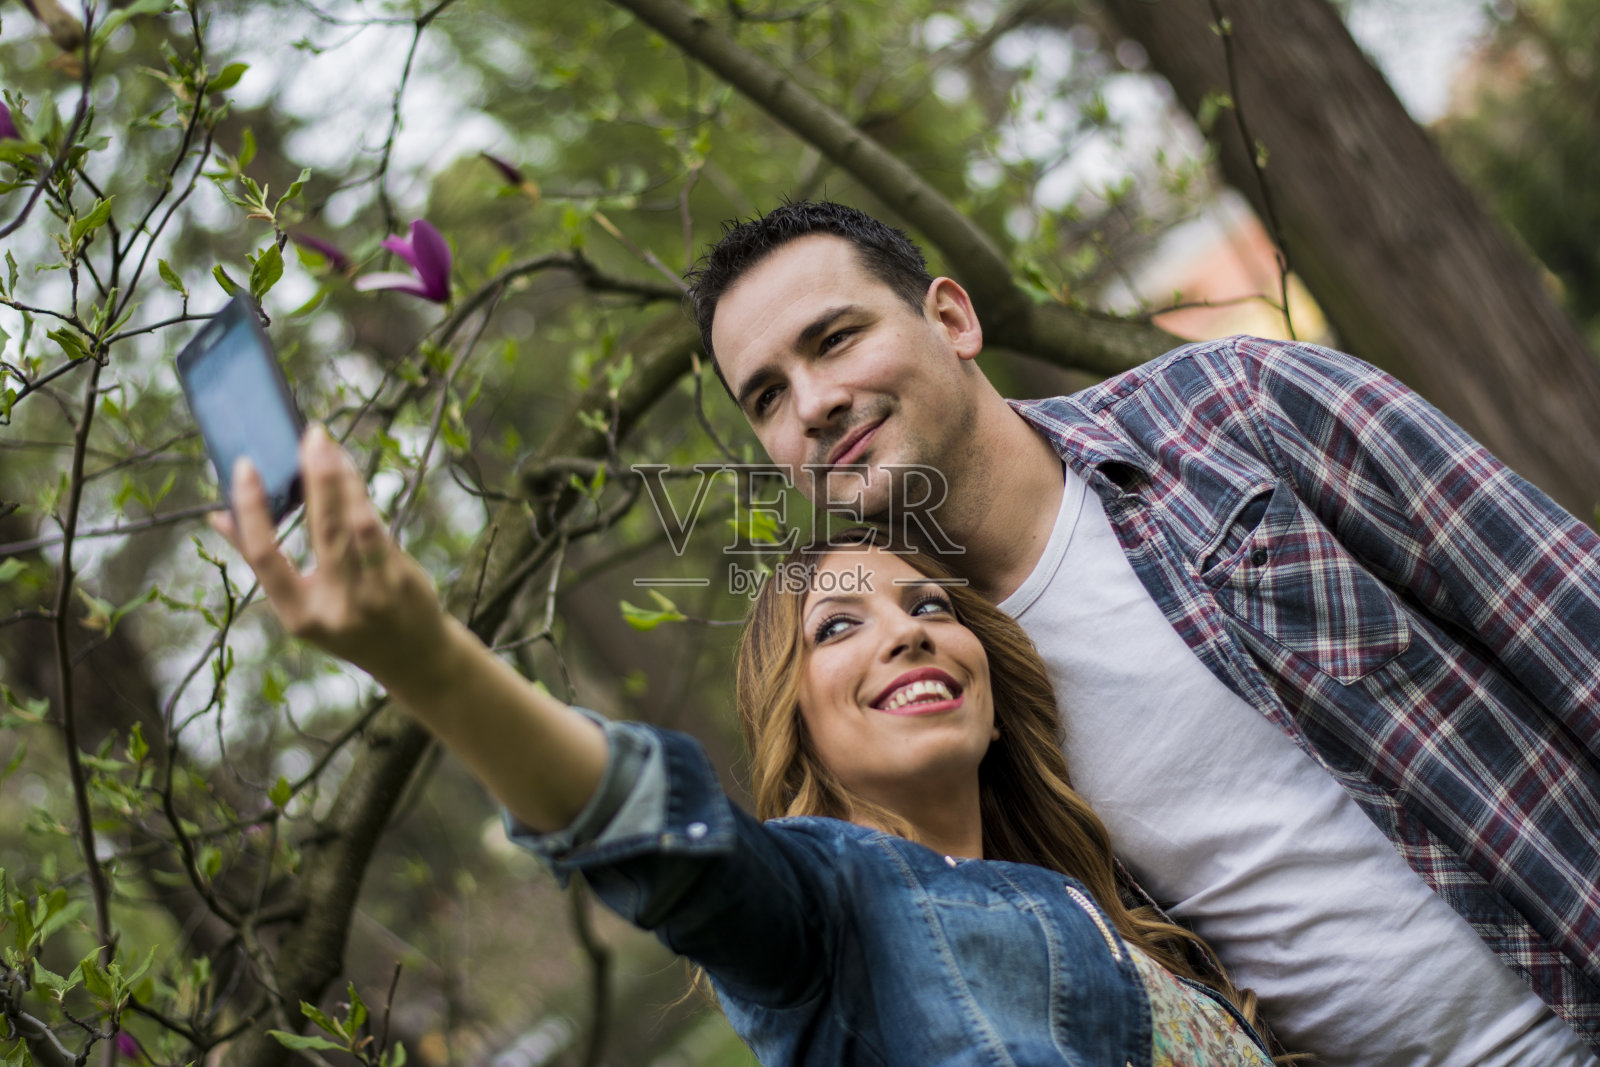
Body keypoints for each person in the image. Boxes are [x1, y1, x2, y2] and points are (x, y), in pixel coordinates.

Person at [685, 200, 1600, 1064]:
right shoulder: (931, 701)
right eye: (766, 395)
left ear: (954, 320)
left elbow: (1572, 627)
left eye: (836, 338)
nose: (812, 404)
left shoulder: (1238, 409)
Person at [215, 431, 1280, 1066]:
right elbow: (666, 838)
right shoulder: (839, 911)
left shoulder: (1118, 909)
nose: (905, 627)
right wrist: (433, 664)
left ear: (992, 692)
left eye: (924, 604)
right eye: (837, 626)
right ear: (801, 728)